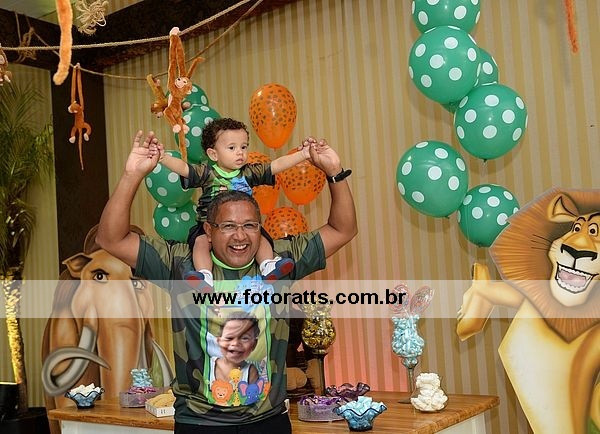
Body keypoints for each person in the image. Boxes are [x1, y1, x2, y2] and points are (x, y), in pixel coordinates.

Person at [96, 130, 357, 433]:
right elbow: (111, 239)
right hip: (200, 423)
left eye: (250, 225)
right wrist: (132, 175)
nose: (240, 235)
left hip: (268, 422)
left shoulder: (279, 263)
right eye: (228, 226)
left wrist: (335, 172)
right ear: (208, 231)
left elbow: (342, 230)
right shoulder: (182, 265)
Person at [153, 117, 311, 290]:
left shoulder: (249, 172)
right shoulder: (207, 173)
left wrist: (302, 155)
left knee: (261, 238)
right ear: (213, 154)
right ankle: (204, 275)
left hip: (242, 224)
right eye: (232, 148)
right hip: (209, 225)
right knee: (200, 242)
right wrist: (163, 158)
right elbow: (184, 168)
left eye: (244, 147)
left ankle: (267, 265)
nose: (240, 153)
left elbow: (276, 165)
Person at [210, 312, 260, 385]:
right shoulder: (208, 365)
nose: (235, 343)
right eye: (229, 338)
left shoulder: (250, 372)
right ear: (219, 341)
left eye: (244, 338)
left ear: (254, 344)